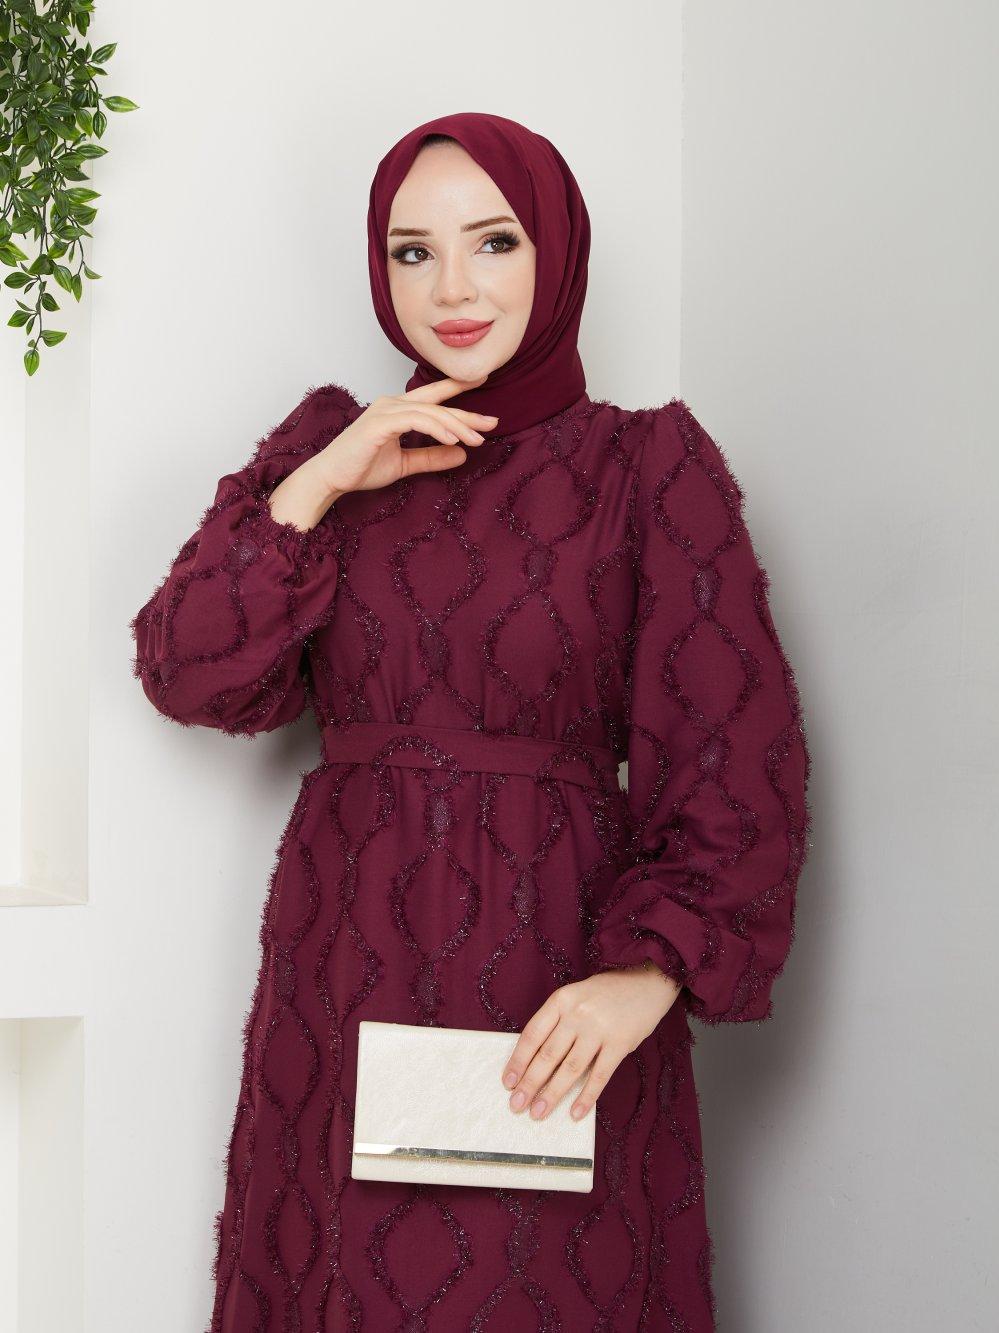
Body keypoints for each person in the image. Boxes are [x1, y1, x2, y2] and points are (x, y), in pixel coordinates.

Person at [130, 111, 812, 1332]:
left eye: (493, 242)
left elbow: (736, 761)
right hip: (343, 974)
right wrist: (325, 479)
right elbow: (188, 672)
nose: (451, 289)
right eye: (413, 252)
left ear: (556, 251)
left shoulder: (643, 468)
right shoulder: (335, 454)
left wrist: (646, 976)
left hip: (555, 987)